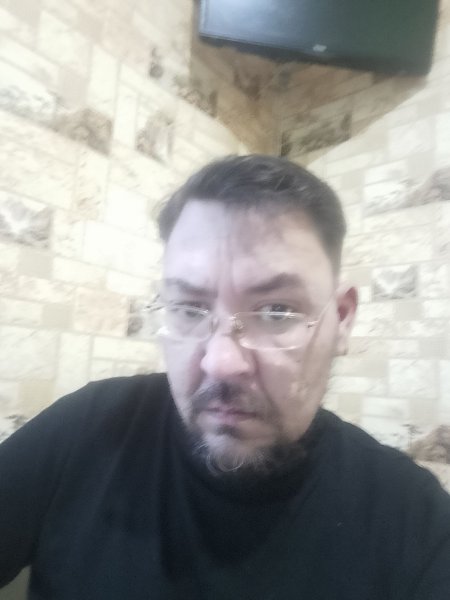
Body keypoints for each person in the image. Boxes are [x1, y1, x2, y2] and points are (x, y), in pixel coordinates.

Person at [0, 155, 449, 599]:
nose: (220, 363)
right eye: (189, 308)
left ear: (343, 319)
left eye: (277, 311)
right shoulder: (90, 428)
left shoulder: (412, 516)